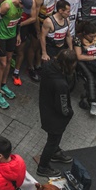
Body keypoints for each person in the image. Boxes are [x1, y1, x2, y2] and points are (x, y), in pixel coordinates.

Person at [35, 48, 76, 179]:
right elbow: (63, 107)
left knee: (53, 140)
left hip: (46, 106)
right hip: (54, 117)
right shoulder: (60, 84)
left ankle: (55, 151)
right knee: (52, 140)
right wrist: (69, 113)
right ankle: (43, 167)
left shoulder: (48, 66)